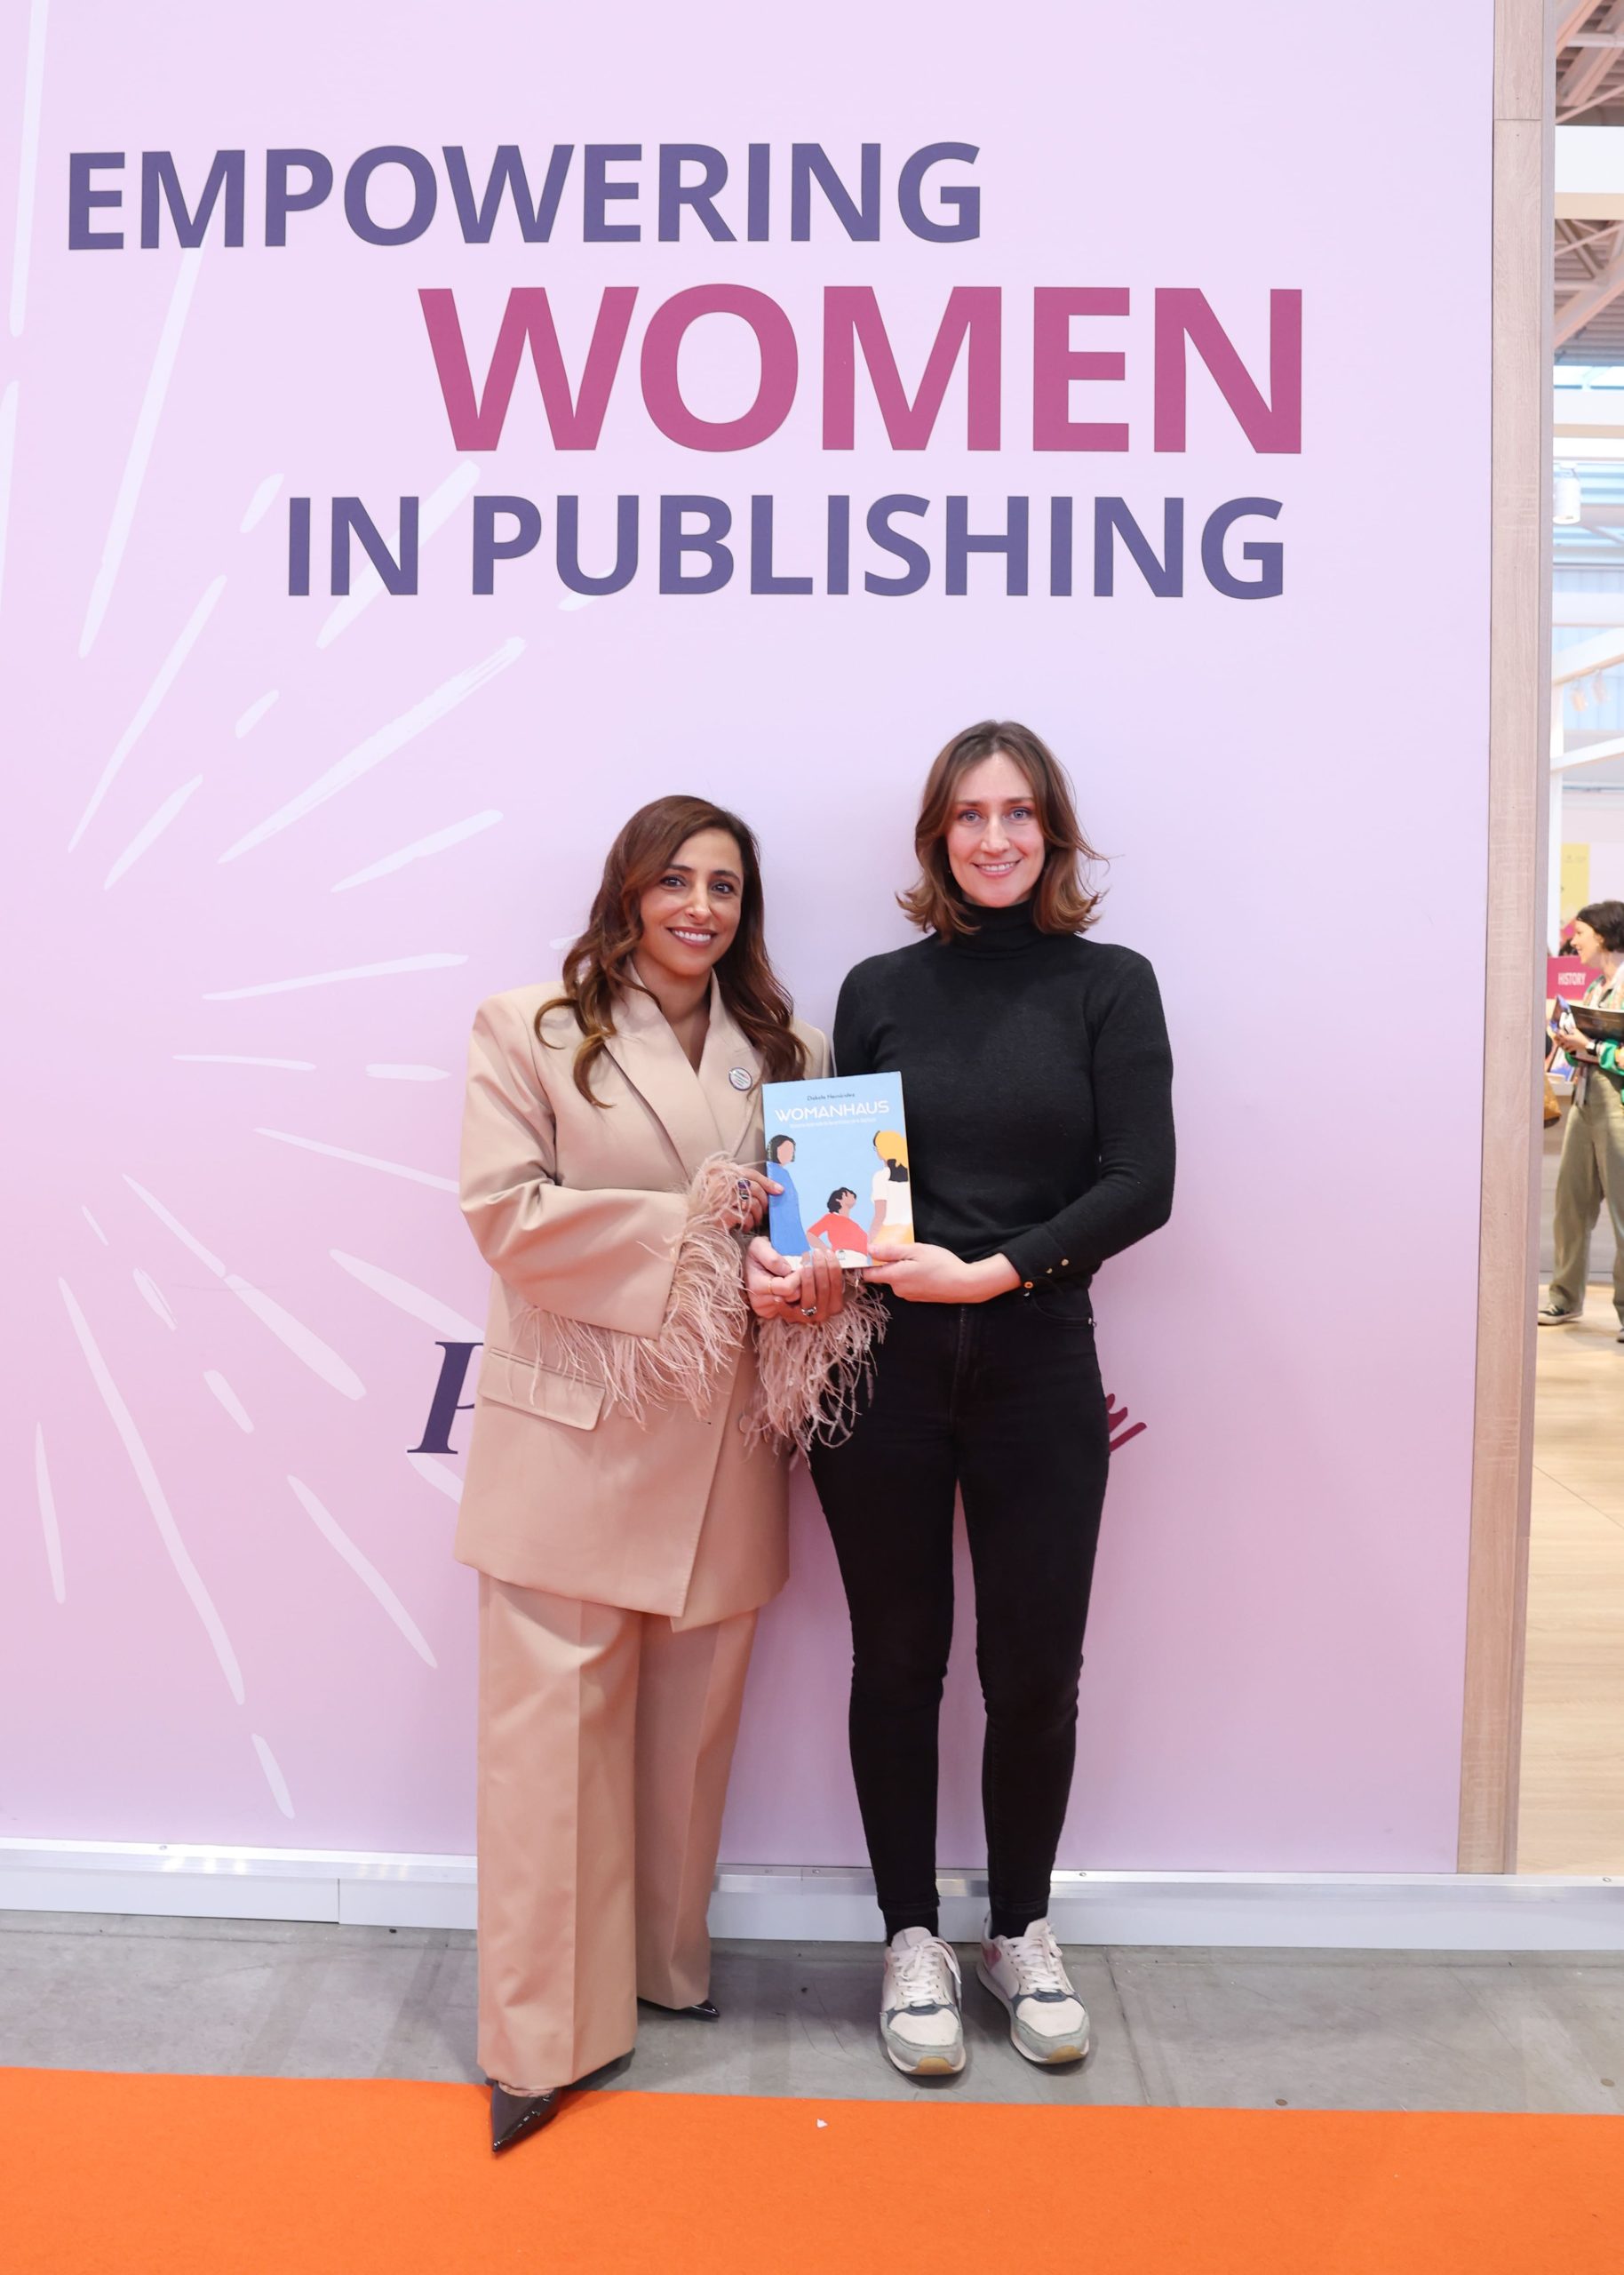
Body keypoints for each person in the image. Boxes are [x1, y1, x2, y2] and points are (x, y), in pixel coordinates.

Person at [746, 720, 1174, 2079]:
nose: (996, 837)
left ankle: (1021, 1933)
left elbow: (1143, 1182)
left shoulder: (1112, 985)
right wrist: (802, 1256)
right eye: (970, 815)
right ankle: (911, 1940)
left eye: (1020, 813)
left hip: (1040, 1359)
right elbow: (840, 1188)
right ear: (937, 836)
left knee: (1035, 1671)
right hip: (883, 1368)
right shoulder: (879, 987)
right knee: (898, 1661)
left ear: (1054, 832)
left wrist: (988, 1273)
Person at [455, 794, 840, 2153]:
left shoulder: (790, 1052)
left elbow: (823, 1236)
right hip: (574, 1438)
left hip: (723, 1444)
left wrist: (816, 1280)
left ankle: (659, 1971)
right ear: (627, 888)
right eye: (675, 880)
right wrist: (694, 1229)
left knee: (688, 1742)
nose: (699, 908)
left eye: (724, 887)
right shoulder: (530, 1028)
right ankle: (536, 2038)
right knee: (549, 1749)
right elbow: (507, 1214)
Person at [1541, 898, 1624, 1337]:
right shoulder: (1595, 988)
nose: (1573, 942)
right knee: (1570, 1206)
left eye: (1580, 933)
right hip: (1585, 1100)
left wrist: (1590, 1047)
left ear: (1604, 936)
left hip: (1617, 1109)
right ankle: (1564, 1298)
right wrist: (1569, 1043)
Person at [869, 1130, 914, 1245]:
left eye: (876, 1148)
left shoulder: (881, 1177)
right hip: (909, 1233)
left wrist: (871, 1240)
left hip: (889, 1234)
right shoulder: (910, 1173)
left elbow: (880, 1214)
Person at [767, 1133, 809, 1252]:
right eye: (785, 1149)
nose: (789, 1153)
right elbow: (787, 1211)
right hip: (782, 1236)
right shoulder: (773, 1171)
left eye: (791, 1150)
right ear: (775, 1149)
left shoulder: (783, 1172)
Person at [808, 1186, 870, 1261]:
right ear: (838, 1200)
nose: (852, 1195)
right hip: (845, 1258)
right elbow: (810, 1234)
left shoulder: (855, 1225)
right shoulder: (830, 1218)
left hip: (861, 1261)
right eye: (848, 1194)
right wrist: (828, 1251)